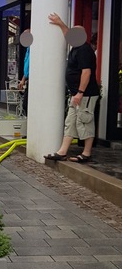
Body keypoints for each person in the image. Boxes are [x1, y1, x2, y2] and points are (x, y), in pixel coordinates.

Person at [44, 13, 99, 163]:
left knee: (85, 122)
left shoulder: (84, 50)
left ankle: (87, 153)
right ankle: (62, 152)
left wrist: (80, 93)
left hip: (85, 94)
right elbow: (69, 34)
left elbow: (86, 72)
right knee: (70, 122)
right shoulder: (76, 46)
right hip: (76, 94)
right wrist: (61, 23)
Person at [18, 31, 30, 115]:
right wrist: (23, 80)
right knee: (25, 104)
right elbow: (27, 67)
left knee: (27, 104)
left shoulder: (34, 49)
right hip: (27, 78)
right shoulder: (28, 50)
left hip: (32, 80)